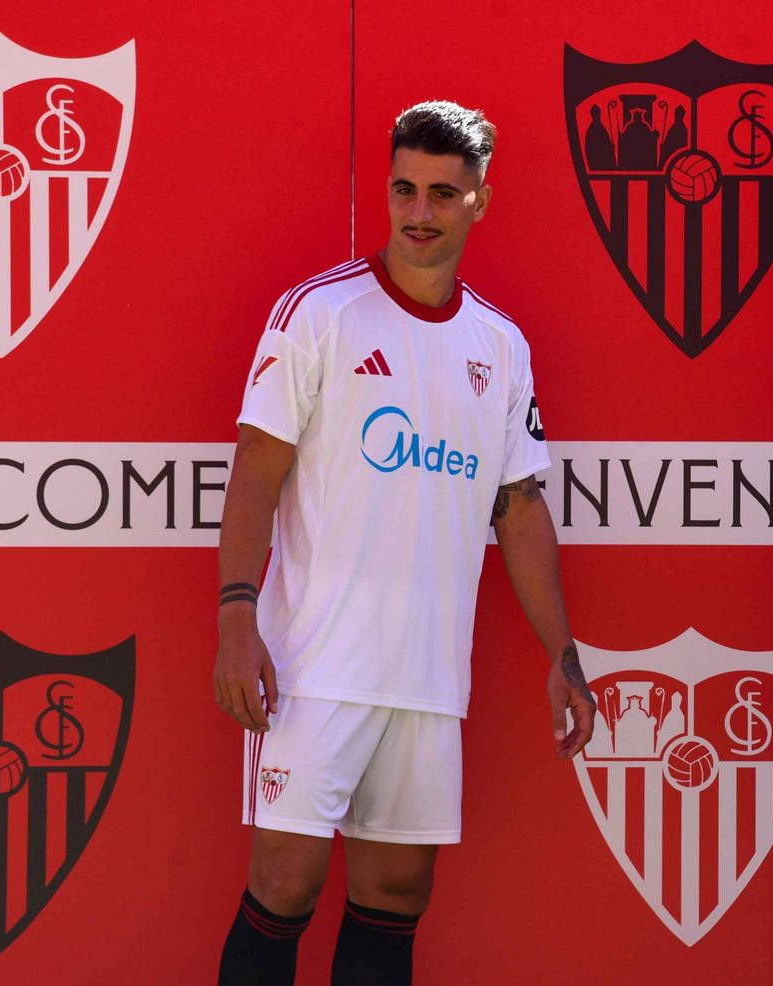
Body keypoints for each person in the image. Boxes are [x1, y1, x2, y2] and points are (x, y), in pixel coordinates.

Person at [213, 100, 597, 986]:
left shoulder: (500, 345)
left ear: (480, 202)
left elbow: (519, 507)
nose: (420, 212)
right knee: (284, 882)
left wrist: (563, 654)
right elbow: (256, 470)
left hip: (427, 674)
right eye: (404, 190)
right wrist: (236, 617)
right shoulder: (320, 313)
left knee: (396, 891)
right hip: (312, 664)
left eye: (442, 194)